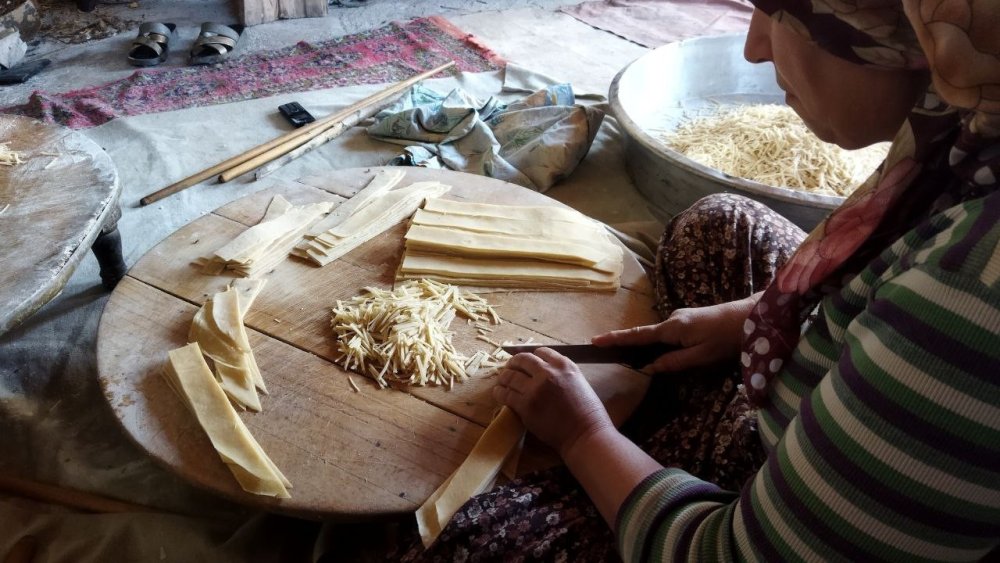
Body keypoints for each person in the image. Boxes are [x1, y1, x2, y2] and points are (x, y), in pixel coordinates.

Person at [392, 0, 1000, 560]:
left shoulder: (969, 296)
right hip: (839, 417)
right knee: (723, 223)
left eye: (777, 11)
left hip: (761, 521)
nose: (754, 49)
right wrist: (757, 317)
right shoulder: (974, 112)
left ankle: (654, 456)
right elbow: (875, 282)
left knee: (464, 538)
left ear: (895, 33)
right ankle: (671, 423)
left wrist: (581, 435)